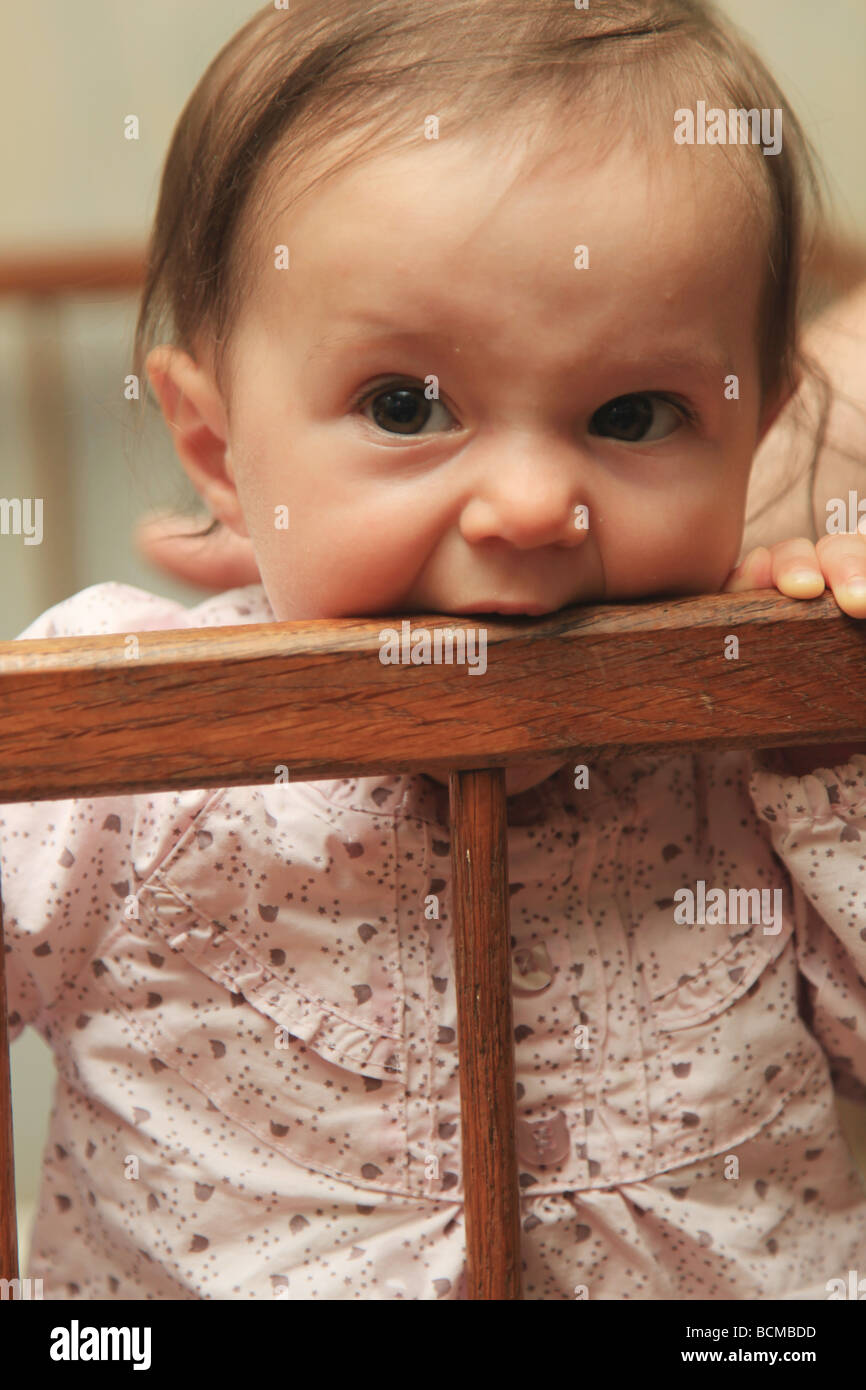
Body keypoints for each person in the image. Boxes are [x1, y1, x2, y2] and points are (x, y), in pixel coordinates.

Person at [3, 0, 866, 1300]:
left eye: (635, 412)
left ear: (758, 438)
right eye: (405, 407)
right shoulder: (123, 751)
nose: (526, 506)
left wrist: (835, 732)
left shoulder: (757, 735)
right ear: (215, 446)